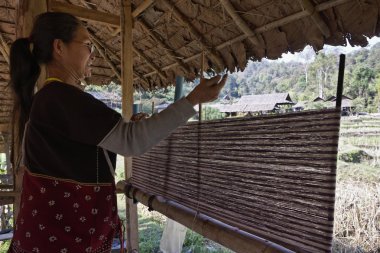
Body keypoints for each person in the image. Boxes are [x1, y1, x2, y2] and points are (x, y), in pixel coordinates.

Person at [8, 12, 227, 253]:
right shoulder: (63, 98)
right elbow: (131, 141)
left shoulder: (48, 100)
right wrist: (193, 99)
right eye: (88, 45)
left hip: (48, 237)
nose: (93, 54)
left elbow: (85, 149)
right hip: (64, 241)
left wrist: (129, 126)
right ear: (59, 47)